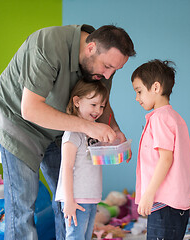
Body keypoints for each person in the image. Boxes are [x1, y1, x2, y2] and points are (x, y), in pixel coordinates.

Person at [0, 24, 135, 240]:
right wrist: (89, 127)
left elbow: (100, 101)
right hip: (19, 122)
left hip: (61, 129)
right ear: (91, 47)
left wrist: (114, 130)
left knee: (70, 201)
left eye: (115, 70)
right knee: (23, 206)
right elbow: (30, 109)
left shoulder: (101, 66)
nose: (108, 74)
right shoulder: (47, 45)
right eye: (107, 66)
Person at [131, 59, 190, 240]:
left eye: (139, 91)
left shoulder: (159, 118)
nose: (137, 98)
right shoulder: (174, 117)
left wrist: (148, 195)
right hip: (175, 204)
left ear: (156, 87)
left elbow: (166, 159)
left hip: (163, 203)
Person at [54, 79, 108, 240]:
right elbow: (67, 168)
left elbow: (98, 158)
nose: (98, 110)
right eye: (93, 104)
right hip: (76, 199)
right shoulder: (72, 133)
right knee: (75, 237)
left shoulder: (93, 132)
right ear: (77, 101)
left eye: (102, 106)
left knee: (84, 236)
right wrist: (69, 201)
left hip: (91, 196)